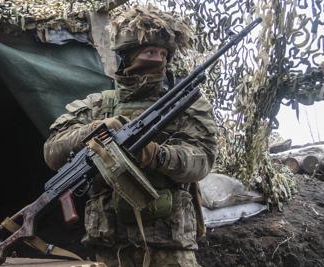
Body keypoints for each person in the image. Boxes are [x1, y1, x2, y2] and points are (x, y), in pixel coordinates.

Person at [43, 5, 217, 267]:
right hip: (111, 248)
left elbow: (202, 160)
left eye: (162, 53)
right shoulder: (96, 106)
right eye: (148, 52)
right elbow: (52, 151)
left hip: (170, 249)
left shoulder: (187, 105)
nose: (157, 59)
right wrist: (95, 130)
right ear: (126, 56)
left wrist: (157, 155)